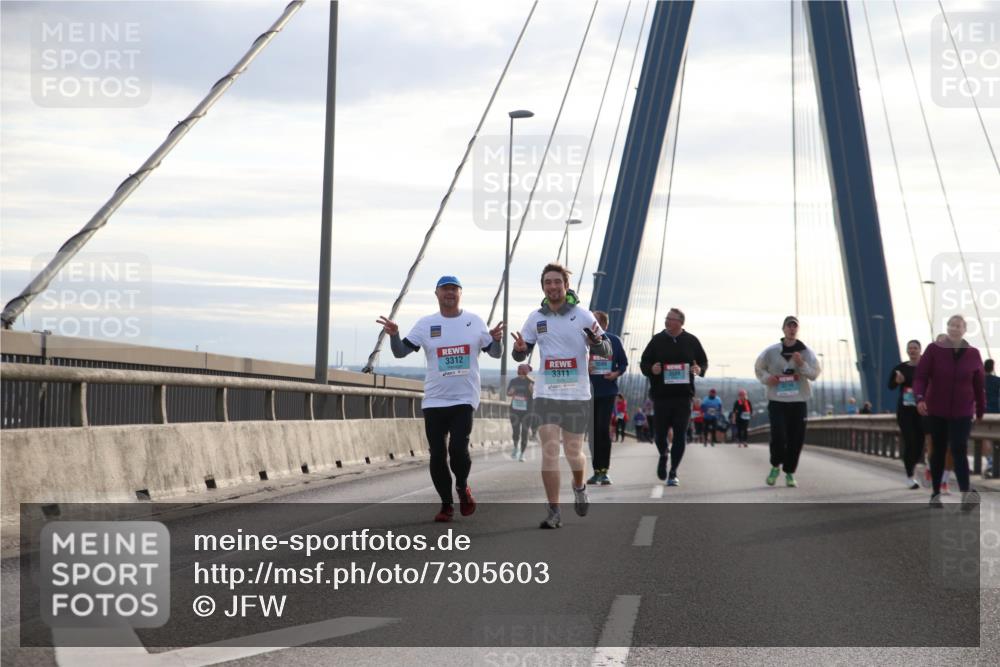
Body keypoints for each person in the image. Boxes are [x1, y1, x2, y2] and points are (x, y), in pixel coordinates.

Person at [377, 275, 503, 522]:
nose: (450, 293)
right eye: (445, 289)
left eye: (454, 289)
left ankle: (462, 486)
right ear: (436, 294)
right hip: (434, 399)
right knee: (437, 454)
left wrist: (496, 340)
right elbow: (401, 352)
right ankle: (446, 505)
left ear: (460, 294)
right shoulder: (426, 324)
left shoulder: (474, 321)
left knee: (458, 448)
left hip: (464, 398)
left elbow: (496, 354)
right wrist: (394, 334)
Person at [512, 263, 611, 529]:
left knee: (573, 452)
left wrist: (596, 342)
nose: (553, 286)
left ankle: (579, 486)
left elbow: (607, 350)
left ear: (566, 286)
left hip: (577, 395)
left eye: (557, 282)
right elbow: (522, 352)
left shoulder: (582, 315)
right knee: (550, 451)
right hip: (546, 394)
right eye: (548, 282)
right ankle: (553, 510)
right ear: (543, 286)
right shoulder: (536, 318)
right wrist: (520, 350)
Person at [914, 315, 986, 510]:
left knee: (959, 450)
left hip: (962, 412)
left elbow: (979, 385)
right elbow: (920, 376)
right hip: (936, 410)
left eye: (958, 326)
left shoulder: (973, 354)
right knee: (937, 452)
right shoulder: (934, 350)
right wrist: (919, 398)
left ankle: (965, 495)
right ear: (947, 328)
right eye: (951, 325)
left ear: (965, 329)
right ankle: (935, 493)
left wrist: (980, 410)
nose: (954, 329)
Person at [639, 308, 708, 487]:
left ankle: (673, 472)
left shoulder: (691, 341)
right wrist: (651, 369)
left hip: (683, 397)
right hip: (661, 396)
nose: (667, 321)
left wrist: (699, 369)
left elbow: (703, 361)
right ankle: (663, 454)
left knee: (680, 435)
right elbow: (644, 362)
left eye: (670, 319)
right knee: (659, 435)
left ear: (680, 322)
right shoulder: (657, 340)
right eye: (666, 318)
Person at [754, 315, 822, 488]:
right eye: (789, 326)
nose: (792, 329)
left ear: (797, 330)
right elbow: (758, 368)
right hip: (777, 400)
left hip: (798, 401)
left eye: (795, 326)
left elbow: (814, 374)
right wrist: (769, 378)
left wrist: (802, 364)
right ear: (783, 329)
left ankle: (790, 472)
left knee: (796, 439)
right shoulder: (771, 351)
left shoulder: (806, 352)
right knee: (779, 436)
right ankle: (775, 466)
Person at [587, 310, 628, 485]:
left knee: (603, 430)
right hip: (587, 392)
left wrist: (616, 373)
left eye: (595, 322)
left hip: (607, 391)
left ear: (604, 325)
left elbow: (623, 363)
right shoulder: (584, 342)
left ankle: (605, 471)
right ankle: (596, 470)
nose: (592, 326)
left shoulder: (614, 341)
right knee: (592, 433)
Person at [888, 340, 924, 489]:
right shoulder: (900, 368)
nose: (913, 351)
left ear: (920, 350)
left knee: (920, 444)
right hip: (905, 411)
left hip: (922, 411)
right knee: (910, 441)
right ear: (907, 351)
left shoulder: (926, 368)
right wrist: (897, 381)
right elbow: (890, 386)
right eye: (910, 348)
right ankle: (910, 476)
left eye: (915, 348)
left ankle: (913, 467)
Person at [507, 364, 534, 462]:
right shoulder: (513, 381)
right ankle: (516, 448)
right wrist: (511, 391)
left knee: (525, 432)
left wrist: (532, 390)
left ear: (526, 372)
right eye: (519, 372)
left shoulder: (531, 382)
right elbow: (508, 393)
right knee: (516, 432)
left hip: (527, 412)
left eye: (523, 373)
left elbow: (535, 396)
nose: (521, 375)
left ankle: (522, 454)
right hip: (515, 410)